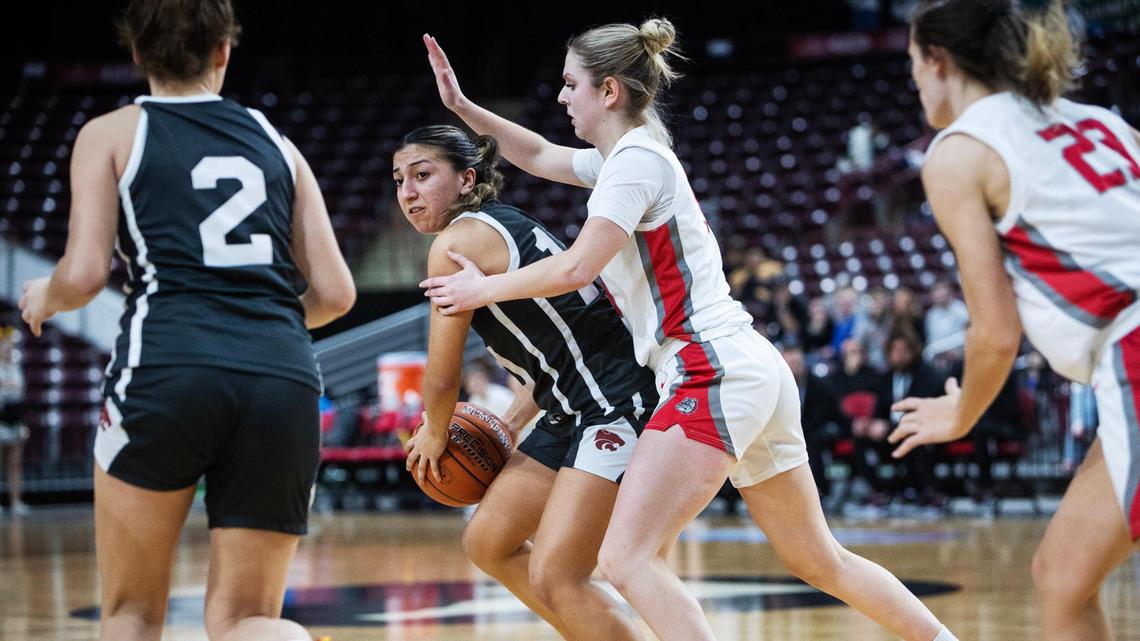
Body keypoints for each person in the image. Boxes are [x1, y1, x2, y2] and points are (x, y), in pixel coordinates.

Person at [418, 20, 957, 641]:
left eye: (571, 85)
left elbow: (578, 266)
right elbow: (537, 154)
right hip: (749, 366)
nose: (562, 97)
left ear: (610, 91)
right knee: (818, 559)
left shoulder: (636, 163)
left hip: (710, 367)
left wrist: (481, 288)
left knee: (627, 558)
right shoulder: (625, 160)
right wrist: (462, 108)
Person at [17, 1, 355, 639]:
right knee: (252, 619)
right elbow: (336, 293)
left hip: (167, 366)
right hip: (281, 377)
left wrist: (45, 297)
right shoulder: (278, 143)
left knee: (131, 615)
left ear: (138, 53)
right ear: (224, 51)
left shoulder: (112, 133)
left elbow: (85, 272)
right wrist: (262, 323)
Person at [887, 2, 1140, 639]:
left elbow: (997, 333)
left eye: (914, 64)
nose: (915, 82)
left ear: (938, 61)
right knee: (1063, 573)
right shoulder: (1102, 123)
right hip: (1123, 360)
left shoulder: (960, 151)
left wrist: (960, 413)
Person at [397, 125, 658, 641]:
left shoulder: (456, 243)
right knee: (489, 542)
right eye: (400, 179)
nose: (408, 192)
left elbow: (444, 373)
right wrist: (511, 420)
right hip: (573, 405)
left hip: (614, 401)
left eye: (423, 175)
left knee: (558, 574)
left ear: (467, 179)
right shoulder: (503, 223)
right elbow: (558, 352)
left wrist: (433, 432)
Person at [0, 326, 29, 515]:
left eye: (9, 346)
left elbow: (21, 390)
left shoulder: (17, 366)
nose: (7, 349)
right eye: (4, 346)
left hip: (15, 416)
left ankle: (16, 501)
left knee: (15, 463)